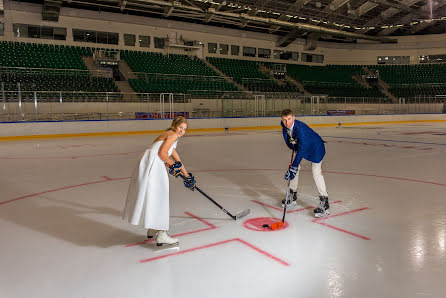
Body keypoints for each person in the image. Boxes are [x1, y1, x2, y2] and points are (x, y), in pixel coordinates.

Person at [123, 116, 196, 246]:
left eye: (184, 129)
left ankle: (153, 227)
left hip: (148, 163)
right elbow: (162, 154)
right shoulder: (172, 135)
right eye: (180, 127)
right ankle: (162, 233)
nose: (182, 131)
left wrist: (187, 176)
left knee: (153, 195)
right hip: (153, 164)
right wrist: (173, 166)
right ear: (175, 126)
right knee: (161, 196)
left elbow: (177, 160)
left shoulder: (169, 135)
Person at [280, 109, 330, 217]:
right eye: (284, 120)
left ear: (293, 118)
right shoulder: (284, 126)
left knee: (316, 172)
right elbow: (291, 141)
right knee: (295, 169)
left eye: (289, 119)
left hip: (315, 148)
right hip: (302, 147)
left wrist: (293, 166)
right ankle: (292, 197)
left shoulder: (301, 129)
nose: (287, 122)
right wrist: (294, 166)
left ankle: (324, 204)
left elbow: (302, 150)